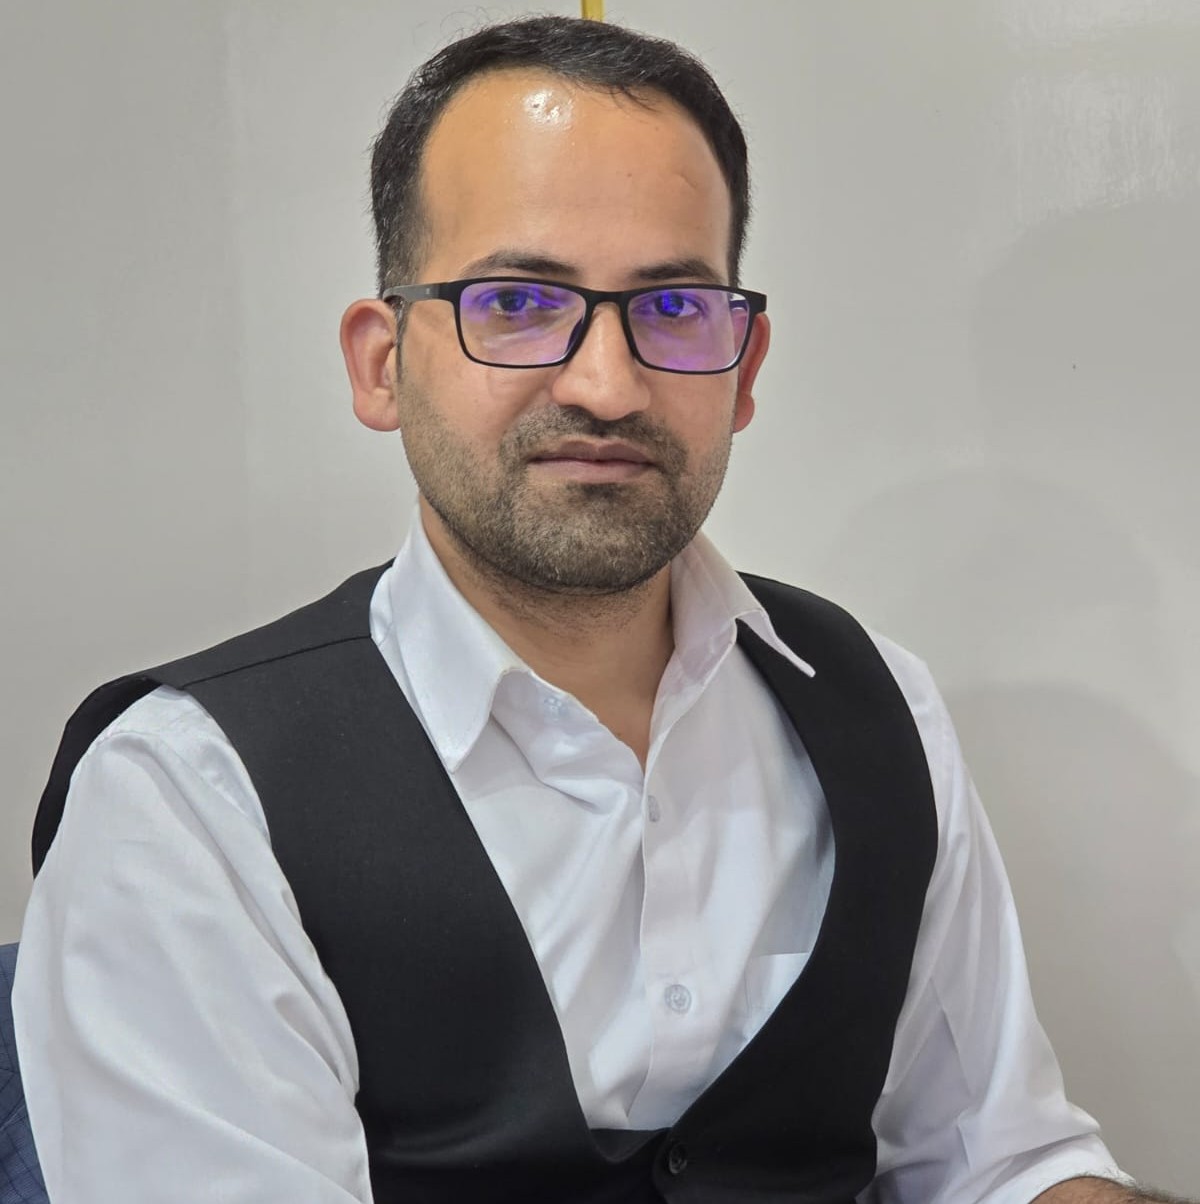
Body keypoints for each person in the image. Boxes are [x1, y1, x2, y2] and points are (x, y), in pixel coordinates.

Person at [10, 15, 1191, 1204]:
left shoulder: (880, 710)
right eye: (519, 300)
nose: (607, 384)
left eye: (673, 308)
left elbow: (1002, 1163)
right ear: (382, 363)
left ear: (745, 368)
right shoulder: (186, 800)